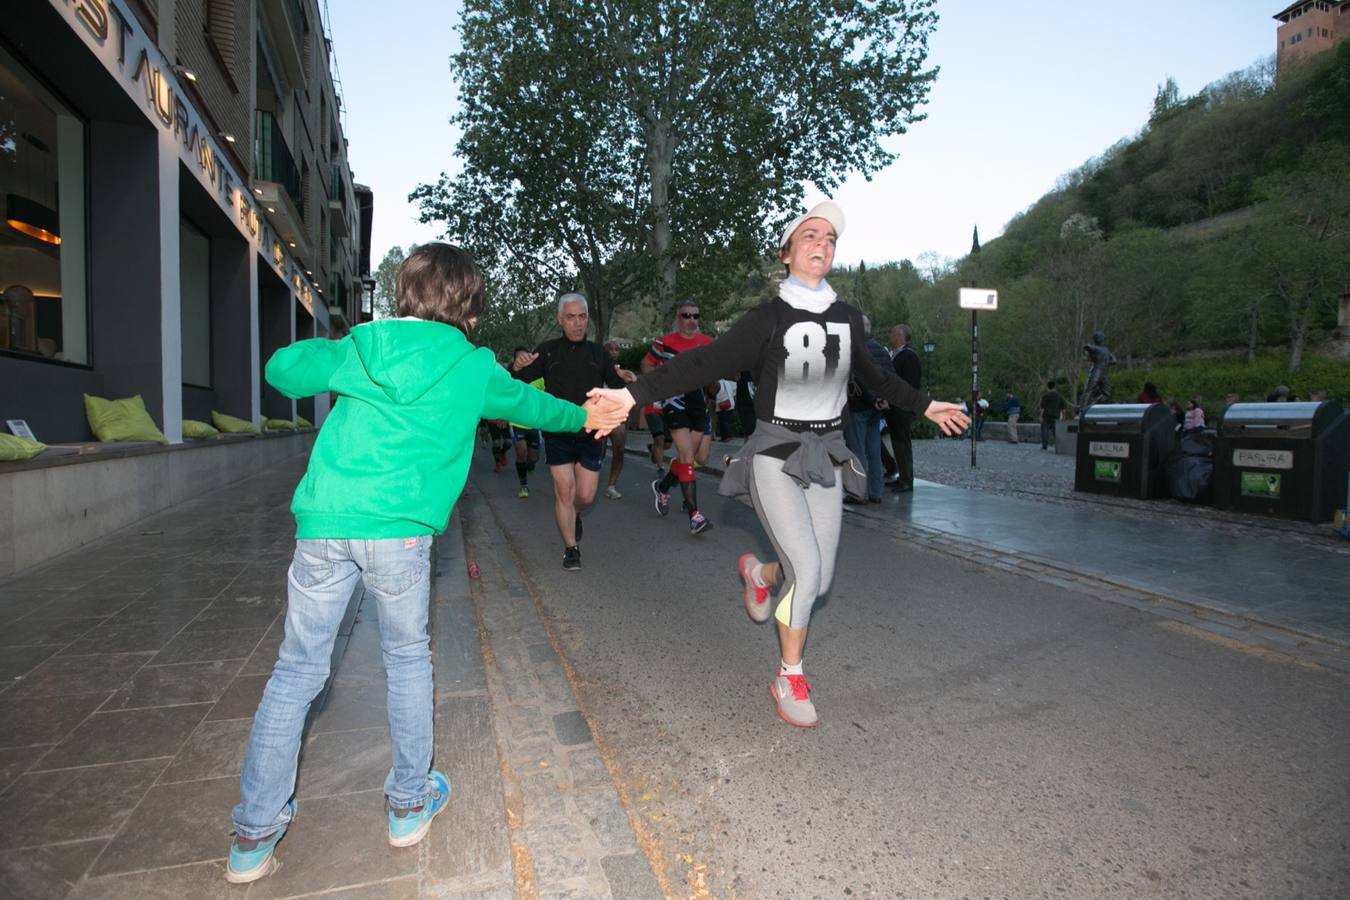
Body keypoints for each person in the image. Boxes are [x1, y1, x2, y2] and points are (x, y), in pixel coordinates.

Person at [226, 244, 623, 884]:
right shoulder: (471, 365)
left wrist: (337, 350)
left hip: (326, 524)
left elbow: (283, 370)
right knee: (406, 659)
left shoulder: (362, 345)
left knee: (296, 672)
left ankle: (252, 836)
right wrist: (588, 415)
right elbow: (532, 406)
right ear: (467, 304)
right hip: (403, 535)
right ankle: (409, 804)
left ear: (405, 292)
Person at [587, 201, 969, 728]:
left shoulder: (848, 320)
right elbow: (703, 361)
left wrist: (927, 404)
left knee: (819, 575)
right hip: (774, 453)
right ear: (788, 252)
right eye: (810, 234)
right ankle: (789, 674)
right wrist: (632, 397)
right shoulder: (767, 318)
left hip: (828, 455)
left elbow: (879, 380)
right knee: (807, 571)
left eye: (830, 238)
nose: (822, 243)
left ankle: (760, 575)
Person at [512, 294, 635, 570]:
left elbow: (615, 384)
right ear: (560, 320)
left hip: (592, 433)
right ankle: (571, 549)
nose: (578, 323)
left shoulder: (598, 353)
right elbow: (518, 378)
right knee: (564, 490)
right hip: (558, 432)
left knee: (587, 496)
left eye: (582, 317)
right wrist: (517, 364)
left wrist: (627, 378)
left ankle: (575, 514)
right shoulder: (547, 351)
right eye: (571, 317)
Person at [644, 299, 716, 534]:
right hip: (674, 401)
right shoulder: (664, 343)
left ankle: (663, 487)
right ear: (678, 318)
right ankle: (695, 515)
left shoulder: (707, 343)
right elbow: (646, 365)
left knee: (699, 458)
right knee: (686, 455)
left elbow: (714, 380)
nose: (691, 320)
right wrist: (663, 379)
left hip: (698, 403)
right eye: (686, 316)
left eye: (695, 316)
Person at [843, 314, 891, 503]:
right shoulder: (882, 350)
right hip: (877, 407)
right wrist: (884, 399)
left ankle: (859, 493)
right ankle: (876, 492)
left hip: (859, 406)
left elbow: (859, 382)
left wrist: (872, 400)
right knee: (874, 450)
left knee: (857, 451)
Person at [885, 323, 922, 492]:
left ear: (900, 336)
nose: (890, 336)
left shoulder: (908, 356)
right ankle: (903, 476)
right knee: (898, 443)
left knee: (902, 444)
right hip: (897, 407)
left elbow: (910, 384)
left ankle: (907, 479)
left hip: (902, 408)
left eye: (892, 333)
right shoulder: (899, 355)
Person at [602, 339, 629, 499]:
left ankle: (611, 485)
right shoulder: (594, 368)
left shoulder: (622, 372)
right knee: (595, 449)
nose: (614, 351)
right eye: (610, 349)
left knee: (619, 447)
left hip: (615, 415)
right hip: (596, 413)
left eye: (617, 349)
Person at [1039, 380, 1065, 450]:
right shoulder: (1059, 396)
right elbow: (1063, 408)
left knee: (1045, 431)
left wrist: (1041, 416)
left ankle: (1044, 446)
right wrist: (1063, 417)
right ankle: (1060, 445)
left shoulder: (1045, 396)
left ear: (1048, 387)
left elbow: (1042, 407)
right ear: (1054, 387)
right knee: (1055, 431)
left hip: (1046, 415)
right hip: (1056, 415)